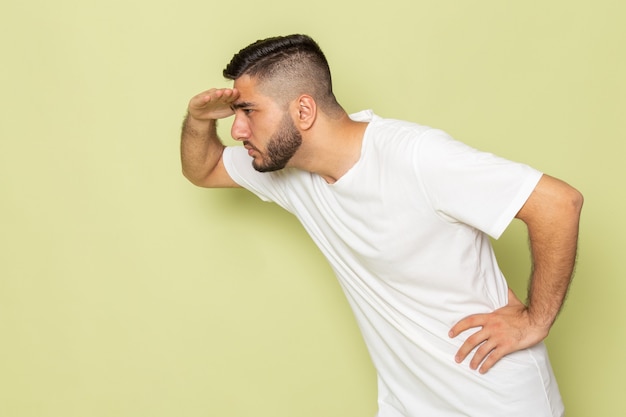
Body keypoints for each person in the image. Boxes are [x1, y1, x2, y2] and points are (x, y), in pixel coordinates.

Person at [180, 34, 583, 417]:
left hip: (496, 402)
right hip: (407, 405)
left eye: (248, 111)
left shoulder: (415, 158)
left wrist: (536, 320)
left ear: (303, 111)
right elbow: (206, 168)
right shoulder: (291, 172)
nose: (237, 130)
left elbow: (558, 203)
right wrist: (198, 120)